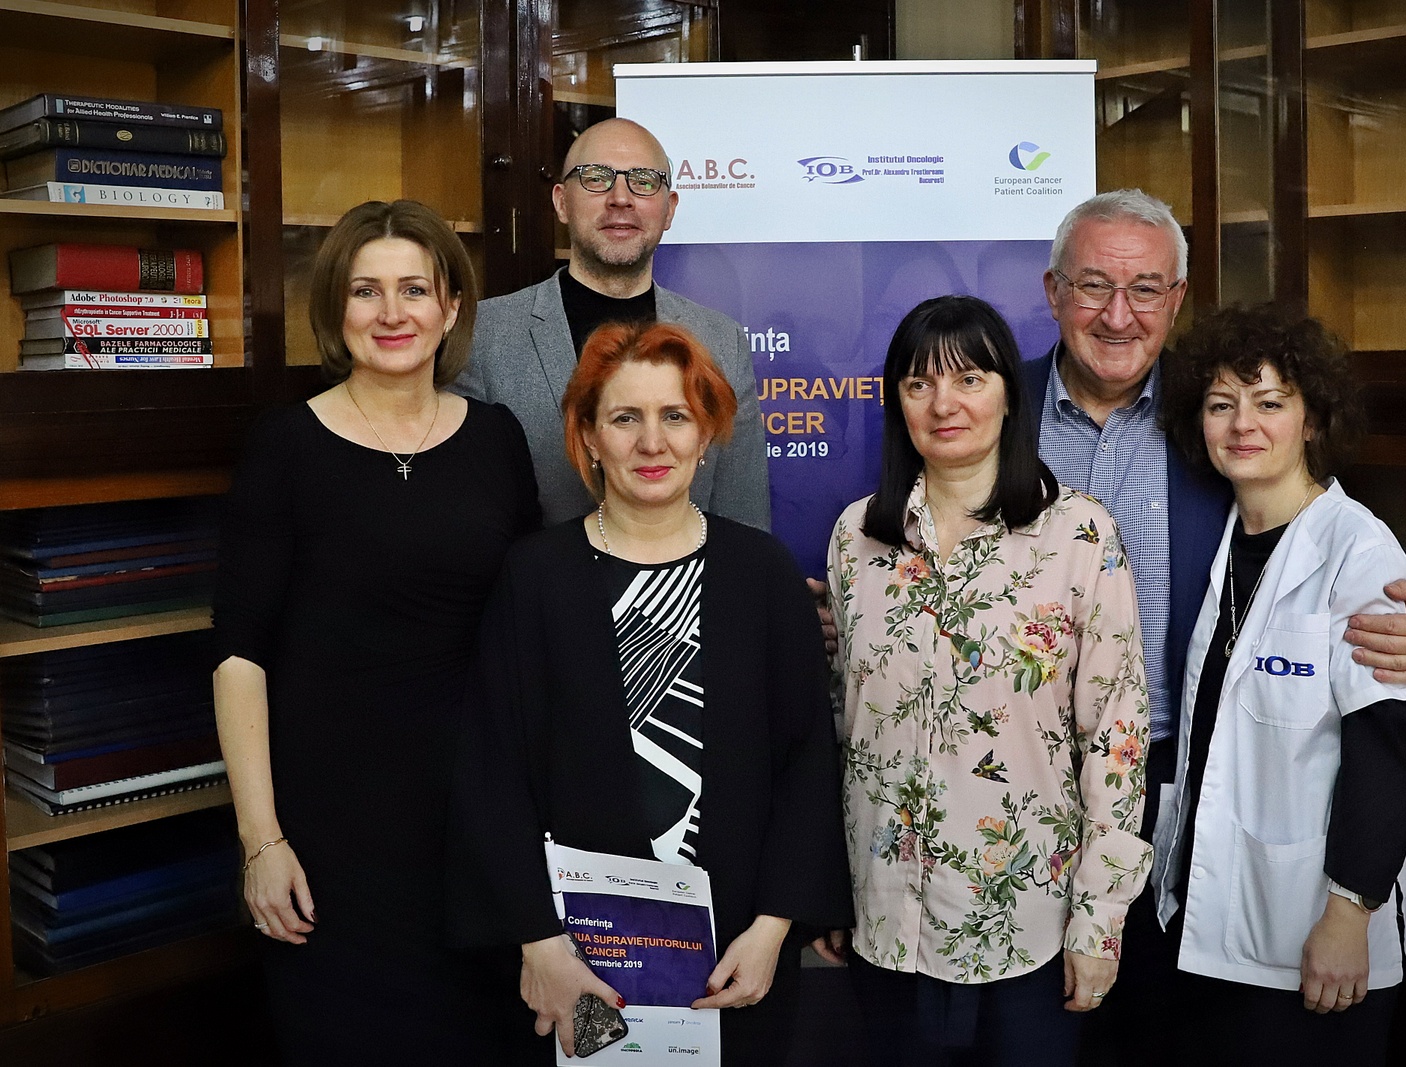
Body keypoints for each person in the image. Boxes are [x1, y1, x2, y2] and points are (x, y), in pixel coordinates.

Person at [1019, 189, 1406, 1065]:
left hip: (1163, 777)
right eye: (1094, 284)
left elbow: (1366, 580)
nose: (1118, 314)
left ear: (1177, 297)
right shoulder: (993, 402)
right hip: (1025, 786)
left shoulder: (1208, 419)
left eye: (1146, 288)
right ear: (1054, 289)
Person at [450, 320, 851, 1064]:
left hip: (736, 962)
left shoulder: (762, 573)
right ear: (589, 437)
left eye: (676, 416)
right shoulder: (534, 578)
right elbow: (492, 774)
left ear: (706, 435)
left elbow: (806, 765)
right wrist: (540, 945)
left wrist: (773, 930)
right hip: (577, 965)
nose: (652, 441)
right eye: (625, 418)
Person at [211, 200, 541, 1063]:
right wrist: (261, 841)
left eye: (414, 289)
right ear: (336, 308)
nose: (392, 313)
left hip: (476, 825)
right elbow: (239, 655)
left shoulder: (497, 439)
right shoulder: (286, 445)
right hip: (329, 837)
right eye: (366, 290)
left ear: (451, 308)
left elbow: (528, 635)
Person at [820, 295, 1150, 1065]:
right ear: (897, 401)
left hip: (1028, 923)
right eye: (919, 383)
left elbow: (1118, 736)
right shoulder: (855, 536)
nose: (944, 404)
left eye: (969, 379)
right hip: (884, 918)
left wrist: (1101, 918)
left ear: (1008, 395)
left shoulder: (1079, 534)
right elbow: (841, 725)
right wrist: (828, 887)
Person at [1149, 303, 1406, 1064]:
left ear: (1312, 420)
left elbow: (1391, 744)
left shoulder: (1356, 549)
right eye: (1221, 404)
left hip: (1322, 926)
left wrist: (1349, 913)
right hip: (1215, 909)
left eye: (1270, 402)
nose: (1243, 423)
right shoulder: (1220, 537)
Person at [456, 117, 770, 530]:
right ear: (561, 202)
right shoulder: (483, 335)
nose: (620, 198)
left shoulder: (721, 341)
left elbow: (743, 524)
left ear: (669, 208)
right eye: (596, 178)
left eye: (644, 180)